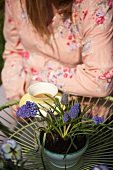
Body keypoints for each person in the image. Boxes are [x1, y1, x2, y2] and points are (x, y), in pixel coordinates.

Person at [0, 0, 113, 134]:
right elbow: (14, 50)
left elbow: (100, 81)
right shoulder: (17, 2)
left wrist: (42, 77)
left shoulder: (94, 5)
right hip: (25, 85)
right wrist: (15, 96)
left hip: (79, 100)